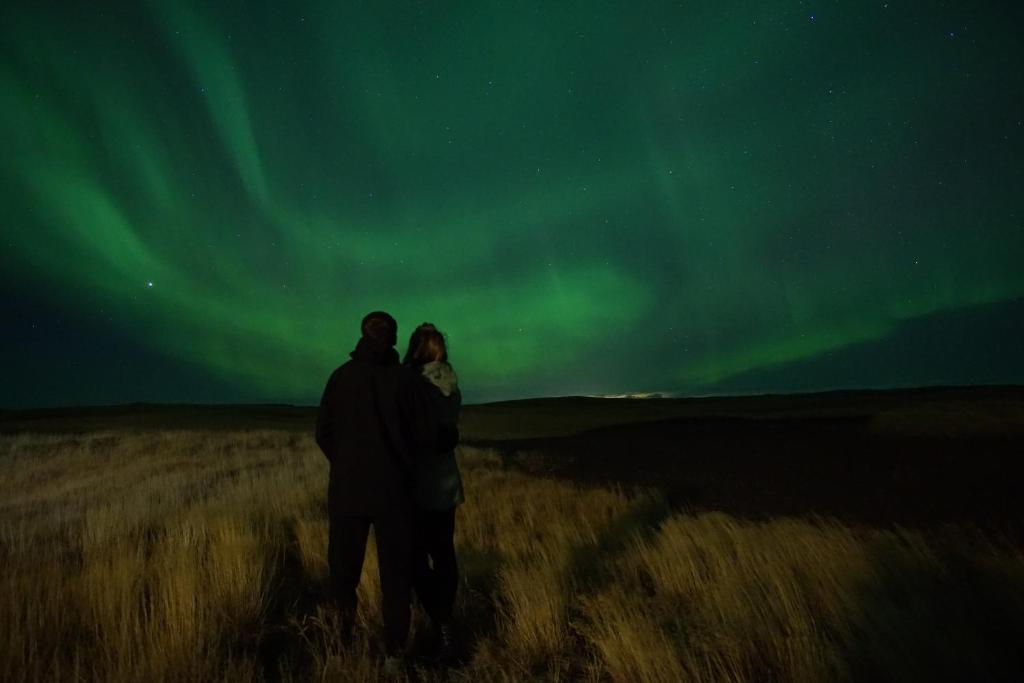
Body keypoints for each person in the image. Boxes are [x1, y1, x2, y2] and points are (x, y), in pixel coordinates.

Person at [314, 311, 451, 669]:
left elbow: (323, 433)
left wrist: (345, 464)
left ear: (363, 334)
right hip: (395, 494)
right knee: (396, 577)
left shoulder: (340, 378)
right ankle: (393, 652)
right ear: (393, 339)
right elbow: (424, 436)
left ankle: (340, 646)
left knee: (343, 574)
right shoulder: (406, 382)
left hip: (347, 493)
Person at [403, 323, 464, 662]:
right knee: (443, 555)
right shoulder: (451, 382)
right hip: (446, 484)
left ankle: (441, 621)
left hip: (420, 486)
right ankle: (445, 621)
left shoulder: (415, 385)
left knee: (414, 559)